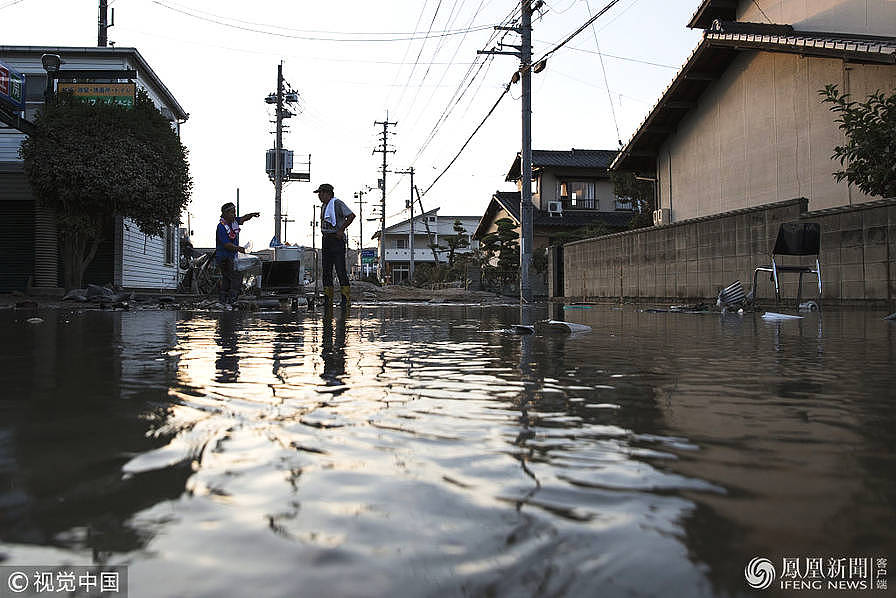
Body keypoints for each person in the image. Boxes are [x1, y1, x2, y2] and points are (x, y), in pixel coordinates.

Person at [314, 183, 355, 309]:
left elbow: (351, 215)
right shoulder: (323, 206)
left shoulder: (337, 203)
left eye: (321, 193)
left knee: (340, 269)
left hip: (336, 239)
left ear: (328, 193)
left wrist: (341, 230)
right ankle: (328, 299)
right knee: (326, 270)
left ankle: (345, 299)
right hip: (326, 239)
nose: (319, 196)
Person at [215, 202, 260, 305]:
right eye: (232, 213)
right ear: (225, 214)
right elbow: (226, 244)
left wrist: (252, 215)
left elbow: (243, 219)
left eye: (234, 212)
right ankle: (232, 300)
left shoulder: (233, 222)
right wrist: (240, 249)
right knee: (235, 278)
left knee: (227, 279)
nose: (234, 215)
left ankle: (224, 302)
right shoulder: (221, 227)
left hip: (231, 257)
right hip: (224, 257)